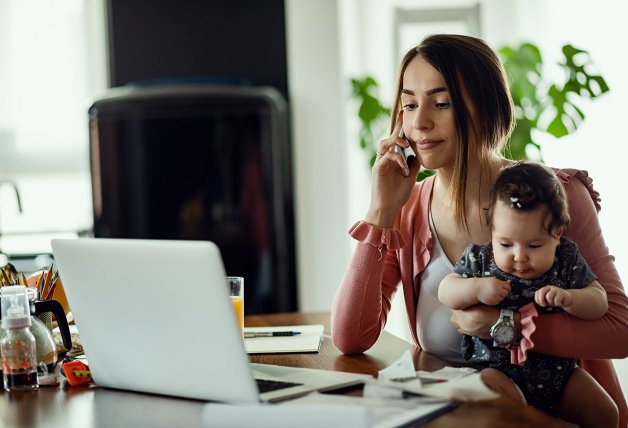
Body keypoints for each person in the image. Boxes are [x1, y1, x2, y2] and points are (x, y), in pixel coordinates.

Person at [330, 34, 628, 426]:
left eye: (441, 103)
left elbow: (618, 331)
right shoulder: (410, 208)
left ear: (486, 109)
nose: (419, 122)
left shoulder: (556, 195)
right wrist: (381, 210)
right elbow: (350, 338)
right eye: (408, 104)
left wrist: (505, 327)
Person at [438, 161, 616, 426]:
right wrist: (476, 287)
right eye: (506, 244)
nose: (519, 256)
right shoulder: (482, 260)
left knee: (605, 411)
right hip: (498, 373)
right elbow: (445, 291)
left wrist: (572, 299)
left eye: (534, 245)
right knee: (492, 397)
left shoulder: (566, 258)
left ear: (558, 235)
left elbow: (599, 302)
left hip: (561, 376)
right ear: (493, 231)